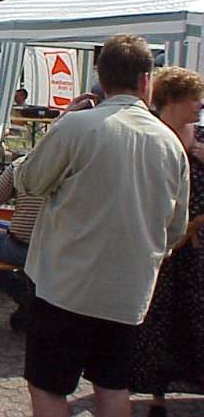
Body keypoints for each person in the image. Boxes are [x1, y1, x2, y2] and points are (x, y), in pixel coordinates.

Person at [14, 35, 189, 417]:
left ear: (100, 78)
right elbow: (176, 228)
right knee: (112, 387)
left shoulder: (77, 127)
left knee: (47, 387)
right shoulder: (171, 144)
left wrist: (59, 124)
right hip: (127, 291)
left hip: (66, 285)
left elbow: (28, 181)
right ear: (147, 81)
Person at [130, 66, 204, 417]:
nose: (200, 105)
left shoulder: (198, 136)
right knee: (157, 321)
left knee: (194, 317)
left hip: (195, 249)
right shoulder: (152, 134)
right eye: (194, 98)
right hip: (160, 246)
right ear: (172, 99)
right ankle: (156, 394)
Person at [0, 155, 43, 332]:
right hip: (58, 251)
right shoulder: (76, 170)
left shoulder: (20, 165)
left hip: (20, 247)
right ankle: (33, 300)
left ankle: (22, 296)